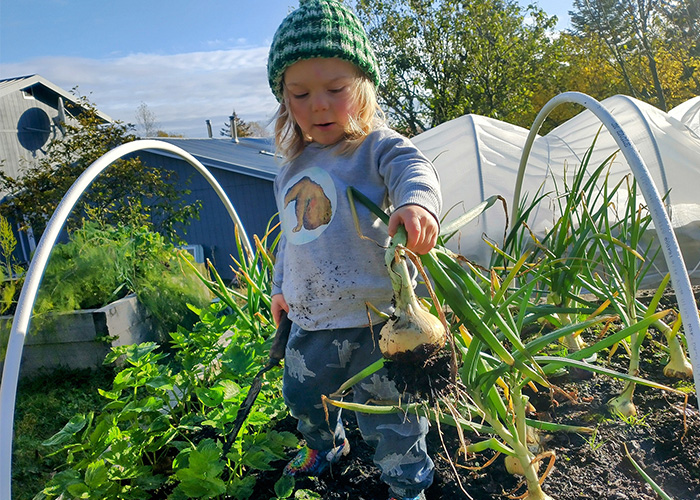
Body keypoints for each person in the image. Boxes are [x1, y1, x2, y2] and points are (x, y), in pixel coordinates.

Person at [267, 2, 442, 499]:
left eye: (335, 90)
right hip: (310, 320)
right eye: (300, 94)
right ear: (285, 100)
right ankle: (325, 445)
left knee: (393, 413)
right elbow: (290, 238)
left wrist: (416, 205)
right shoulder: (289, 167)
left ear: (363, 89)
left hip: (376, 322)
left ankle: (408, 483)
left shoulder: (376, 148)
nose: (318, 105)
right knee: (305, 398)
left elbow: (415, 169)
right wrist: (281, 289)